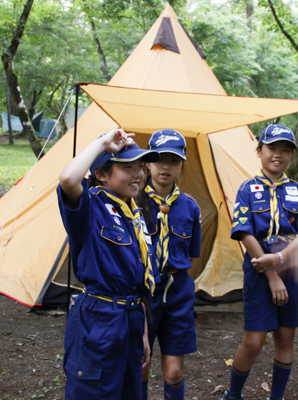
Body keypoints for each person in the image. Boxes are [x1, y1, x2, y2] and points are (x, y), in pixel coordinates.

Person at [57, 128, 160, 400]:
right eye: (128, 167)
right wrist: (102, 144)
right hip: (99, 321)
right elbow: (68, 179)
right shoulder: (91, 207)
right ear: (102, 173)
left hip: (132, 319)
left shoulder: (134, 214)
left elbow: (139, 281)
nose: (138, 174)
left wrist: (144, 332)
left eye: (140, 166)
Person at [221, 124, 298, 400]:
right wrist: (271, 273)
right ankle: (233, 393)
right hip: (260, 273)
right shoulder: (247, 189)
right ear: (259, 150)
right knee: (253, 340)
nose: (279, 154)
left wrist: (280, 258)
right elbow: (243, 232)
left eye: (285, 150)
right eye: (272, 148)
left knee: (286, 339)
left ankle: (277, 397)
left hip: (292, 272)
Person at [137, 129, 202, 400]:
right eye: (159, 159)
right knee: (141, 364)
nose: (166, 166)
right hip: (143, 293)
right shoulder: (133, 203)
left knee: (174, 372)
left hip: (178, 293)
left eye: (173, 161)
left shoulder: (191, 207)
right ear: (147, 163)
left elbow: (193, 254)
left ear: (182, 165)